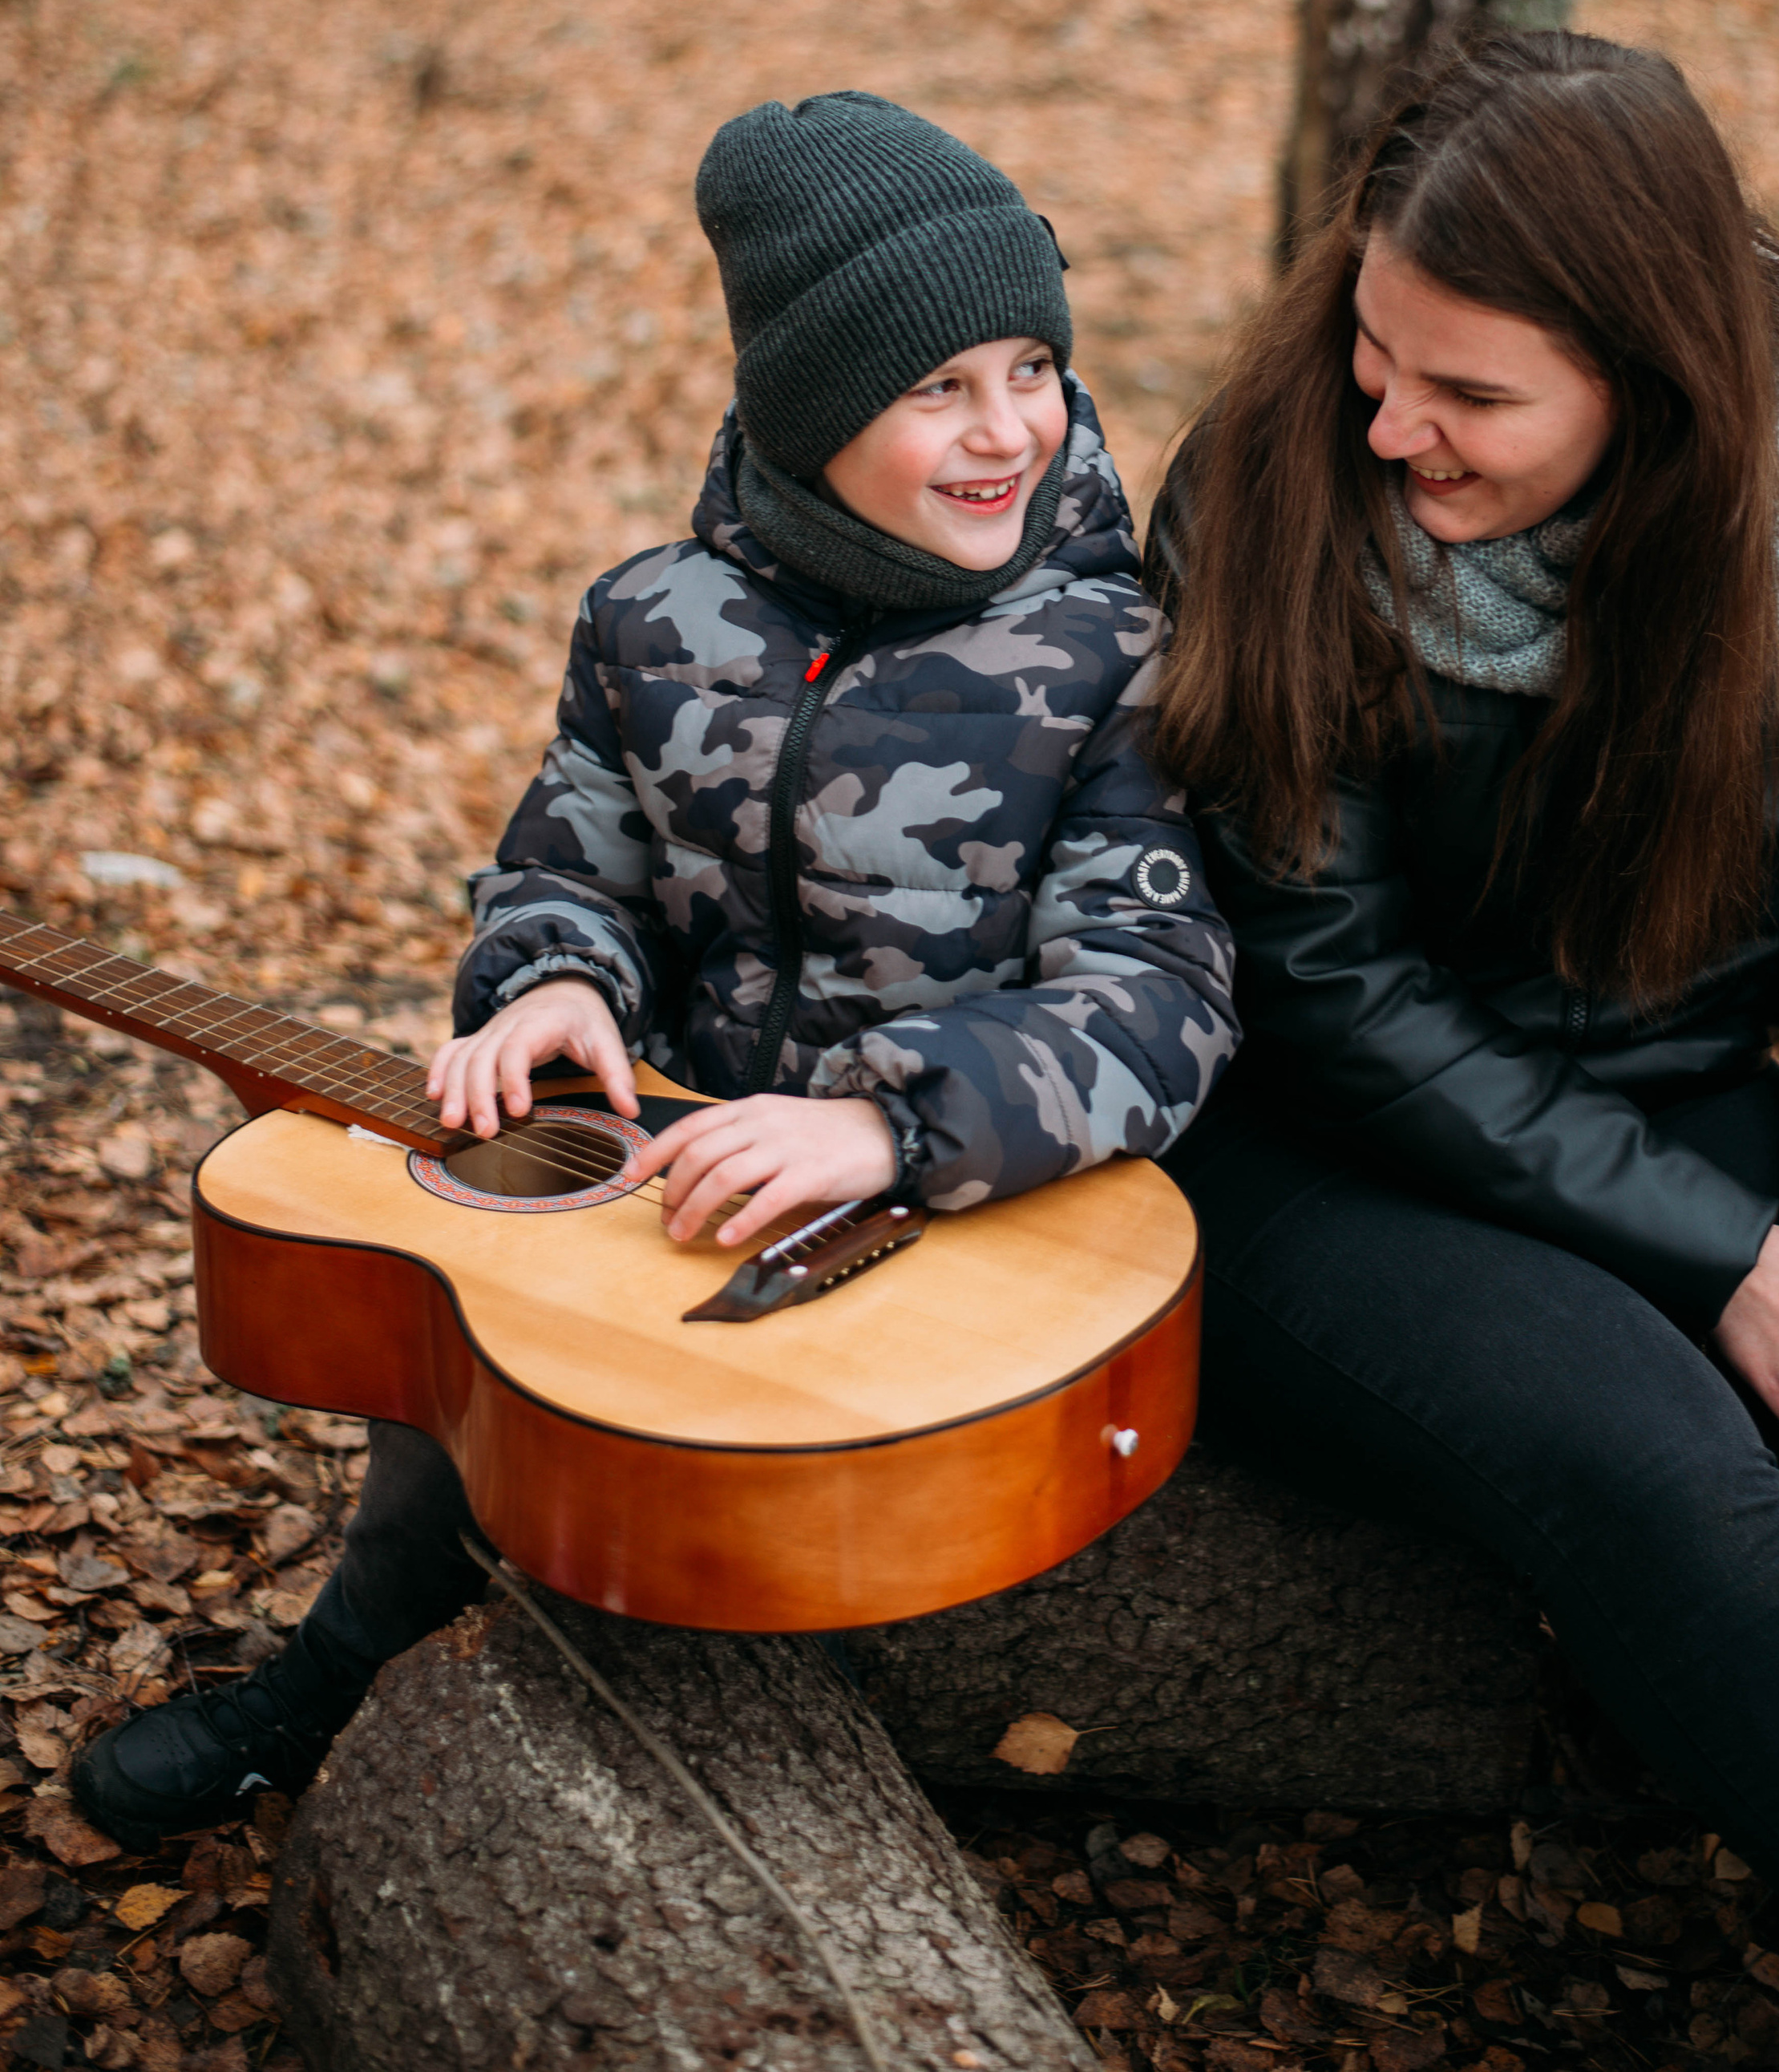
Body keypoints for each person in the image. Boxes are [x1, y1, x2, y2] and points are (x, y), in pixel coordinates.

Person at [75, 91, 1237, 1848]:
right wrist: (552, 979)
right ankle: (349, 1656)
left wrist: (886, 1124)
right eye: (934, 388)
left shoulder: (1112, 658)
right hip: (667, 1186)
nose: (1005, 427)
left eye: (1030, 365)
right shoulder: (653, 624)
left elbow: (1155, 994)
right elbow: (571, 858)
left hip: (942, 1208)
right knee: (464, 1264)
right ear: (806, 406)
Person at [1146, 31, 1779, 2071]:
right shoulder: (1274, 485)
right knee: (1648, 1464)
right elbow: (1326, 991)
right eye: (1377, 350)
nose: (1389, 424)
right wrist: (1724, 1271)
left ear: (1654, 383)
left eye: (1466, 393)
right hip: (1309, 1154)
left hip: (1670, 1099)